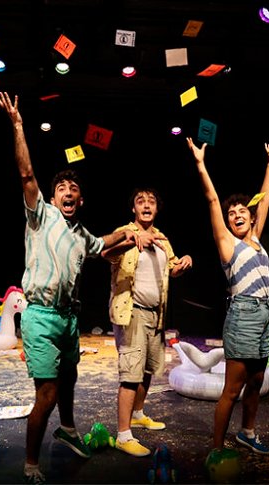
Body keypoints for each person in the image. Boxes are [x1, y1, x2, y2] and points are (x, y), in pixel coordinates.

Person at [0, 91, 144, 484]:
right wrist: (18, 125)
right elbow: (26, 174)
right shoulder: (40, 215)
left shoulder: (81, 235)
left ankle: (67, 429)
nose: (68, 192)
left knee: (70, 378)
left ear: (80, 200)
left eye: (73, 189)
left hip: (68, 318)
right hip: (41, 317)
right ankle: (31, 464)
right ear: (53, 196)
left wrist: (129, 235)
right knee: (46, 394)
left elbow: (103, 244)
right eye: (62, 187)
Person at [185, 137, 269, 456]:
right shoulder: (228, 244)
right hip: (242, 316)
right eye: (232, 214)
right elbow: (213, 200)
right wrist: (201, 165)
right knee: (232, 389)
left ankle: (247, 433)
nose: (237, 215)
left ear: (251, 218)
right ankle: (216, 449)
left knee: (256, 381)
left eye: (242, 211)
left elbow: (264, 199)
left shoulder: (256, 239)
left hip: (264, 315)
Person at [101, 187, 193, 457]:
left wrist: (183, 263)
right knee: (131, 374)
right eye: (140, 201)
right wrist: (133, 240)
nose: (146, 205)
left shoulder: (162, 238)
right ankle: (123, 435)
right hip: (132, 312)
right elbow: (106, 253)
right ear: (134, 208)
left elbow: (171, 268)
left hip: (156, 314)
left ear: (156, 208)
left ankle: (138, 414)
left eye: (151, 201)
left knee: (149, 369)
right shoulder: (126, 231)